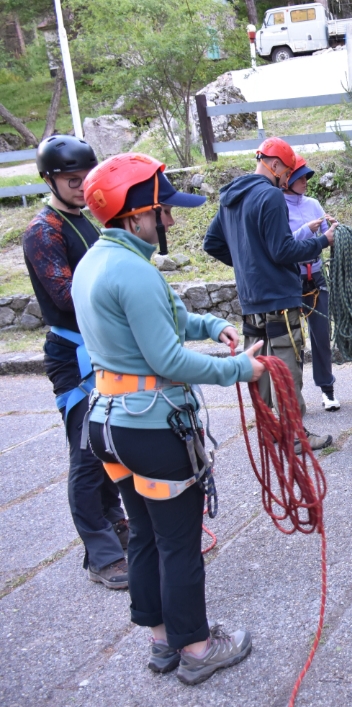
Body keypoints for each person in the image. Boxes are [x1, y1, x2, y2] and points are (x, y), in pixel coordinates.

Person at [73, 153, 265, 684]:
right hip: (150, 426)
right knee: (178, 541)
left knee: (144, 537)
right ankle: (199, 649)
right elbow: (168, 360)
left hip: (108, 422)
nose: (171, 222)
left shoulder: (97, 261)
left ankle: (162, 642)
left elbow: (168, 319)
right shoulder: (132, 271)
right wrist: (240, 369)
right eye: (163, 211)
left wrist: (211, 323)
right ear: (135, 214)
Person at [22, 135, 129, 589]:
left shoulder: (86, 221)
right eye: (70, 179)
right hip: (73, 355)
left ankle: (117, 523)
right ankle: (101, 555)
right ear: (50, 179)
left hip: (99, 344)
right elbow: (68, 295)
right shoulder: (43, 232)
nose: (81, 186)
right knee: (87, 453)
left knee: (109, 444)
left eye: (85, 178)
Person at [203, 138, 334, 450]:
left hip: (252, 299)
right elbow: (283, 249)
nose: (287, 177)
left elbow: (213, 243)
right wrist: (322, 242)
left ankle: (271, 428)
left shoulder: (231, 198)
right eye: (287, 171)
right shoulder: (271, 196)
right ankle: (295, 436)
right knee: (286, 366)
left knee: (259, 365)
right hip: (279, 296)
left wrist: (250, 264)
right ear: (274, 165)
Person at [282, 156, 340, 412]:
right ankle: (294, 397)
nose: (305, 181)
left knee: (320, 335)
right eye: (299, 178)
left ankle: (328, 391)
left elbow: (327, 237)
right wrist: (307, 229)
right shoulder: (277, 205)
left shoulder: (314, 203)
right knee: (293, 340)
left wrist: (334, 231)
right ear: (287, 180)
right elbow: (284, 244)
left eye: (306, 177)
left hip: (315, 276)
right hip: (291, 279)